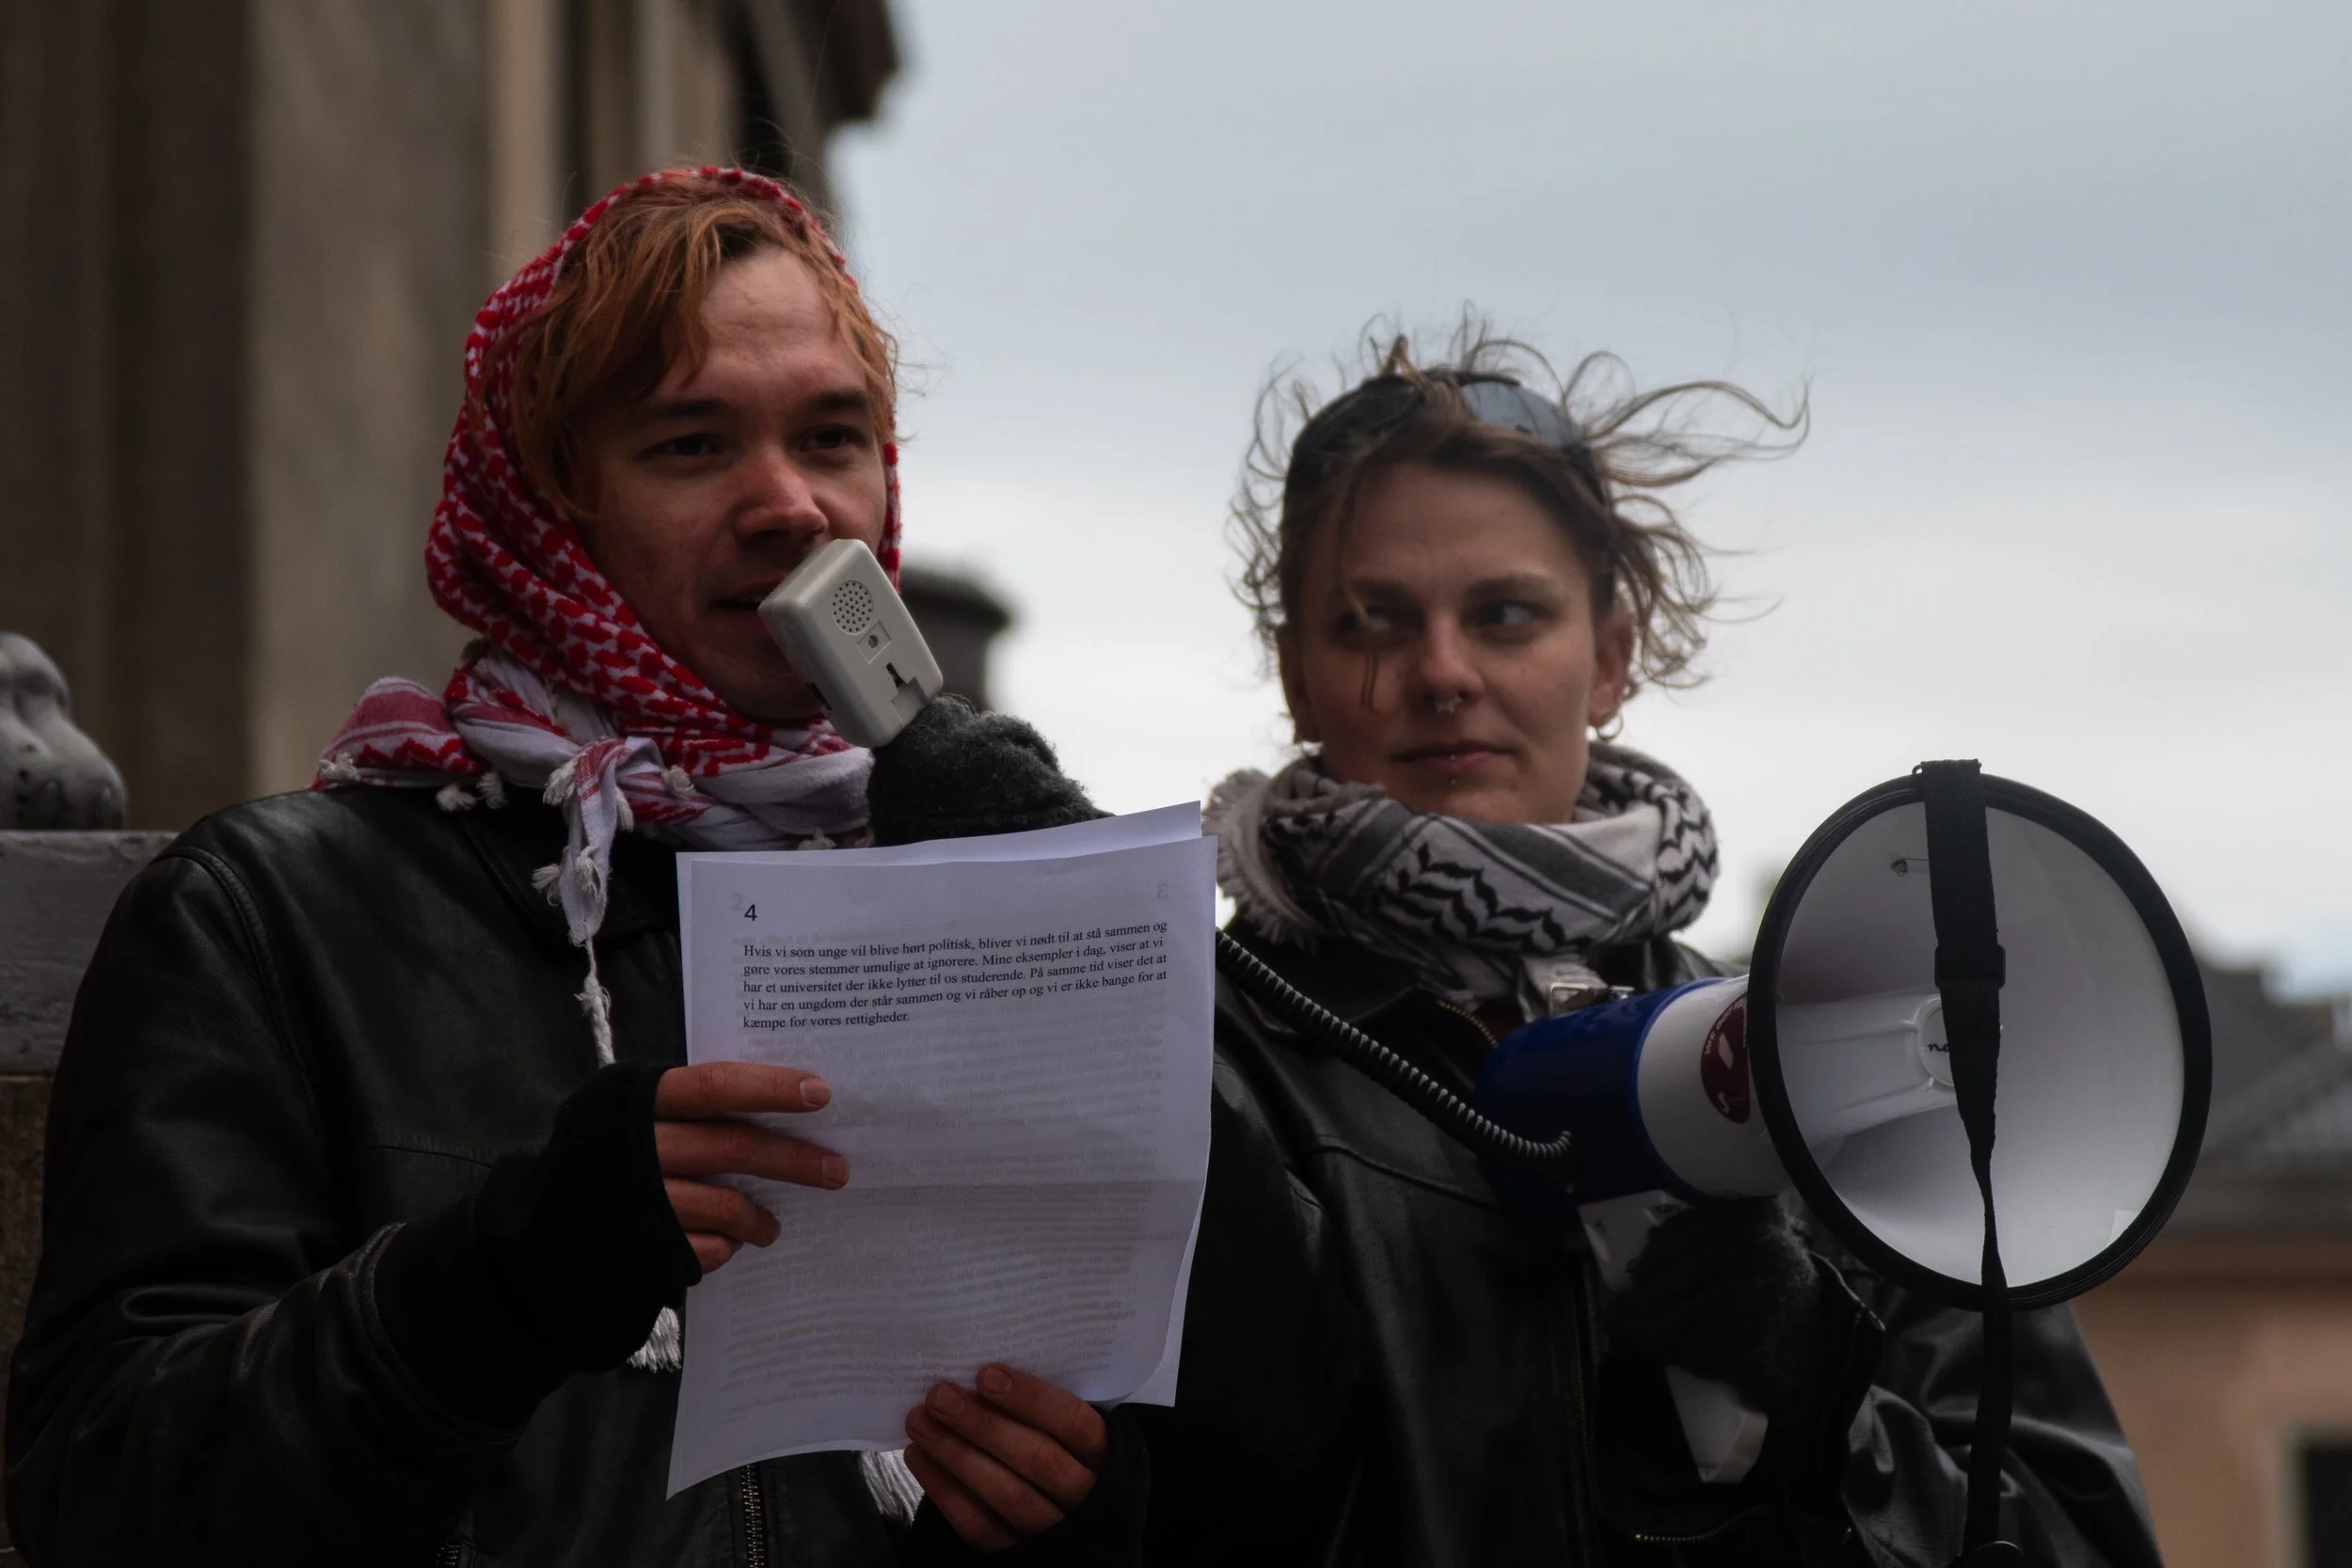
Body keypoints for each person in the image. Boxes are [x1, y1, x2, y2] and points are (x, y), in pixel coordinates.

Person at [1, 167, 1110, 1567]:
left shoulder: (968, 884)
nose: (792, 507)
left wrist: (1070, 1502)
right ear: (548, 513)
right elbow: (105, 1492)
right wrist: (496, 1281)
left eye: (834, 436)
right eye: (692, 445)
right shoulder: (278, 914)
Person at [1118, 334, 2164, 1565]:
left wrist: (1827, 1403)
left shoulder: (1833, 1066)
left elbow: (2073, 1536)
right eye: (1370, 620)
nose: (1443, 672)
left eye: (1505, 615)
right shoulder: (1197, 1061)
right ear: (1294, 670)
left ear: (1610, 659)